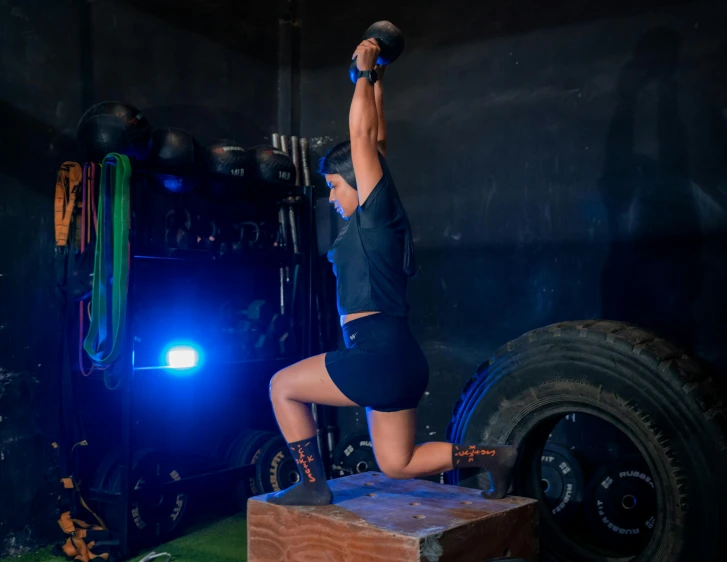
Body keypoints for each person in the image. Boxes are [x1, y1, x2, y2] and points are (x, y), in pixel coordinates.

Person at [267, 38, 517, 506]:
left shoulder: (374, 215)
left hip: (377, 356)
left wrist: (363, 71)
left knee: (281, 386)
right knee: (397, 463)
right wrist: (379, 81)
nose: (333, 196)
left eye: (334, 185)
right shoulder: (381, 219)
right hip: (403, 360)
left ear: (355, 183)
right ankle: (493, 456)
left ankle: (312, 486)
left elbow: (363, 141)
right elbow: (376, 143)